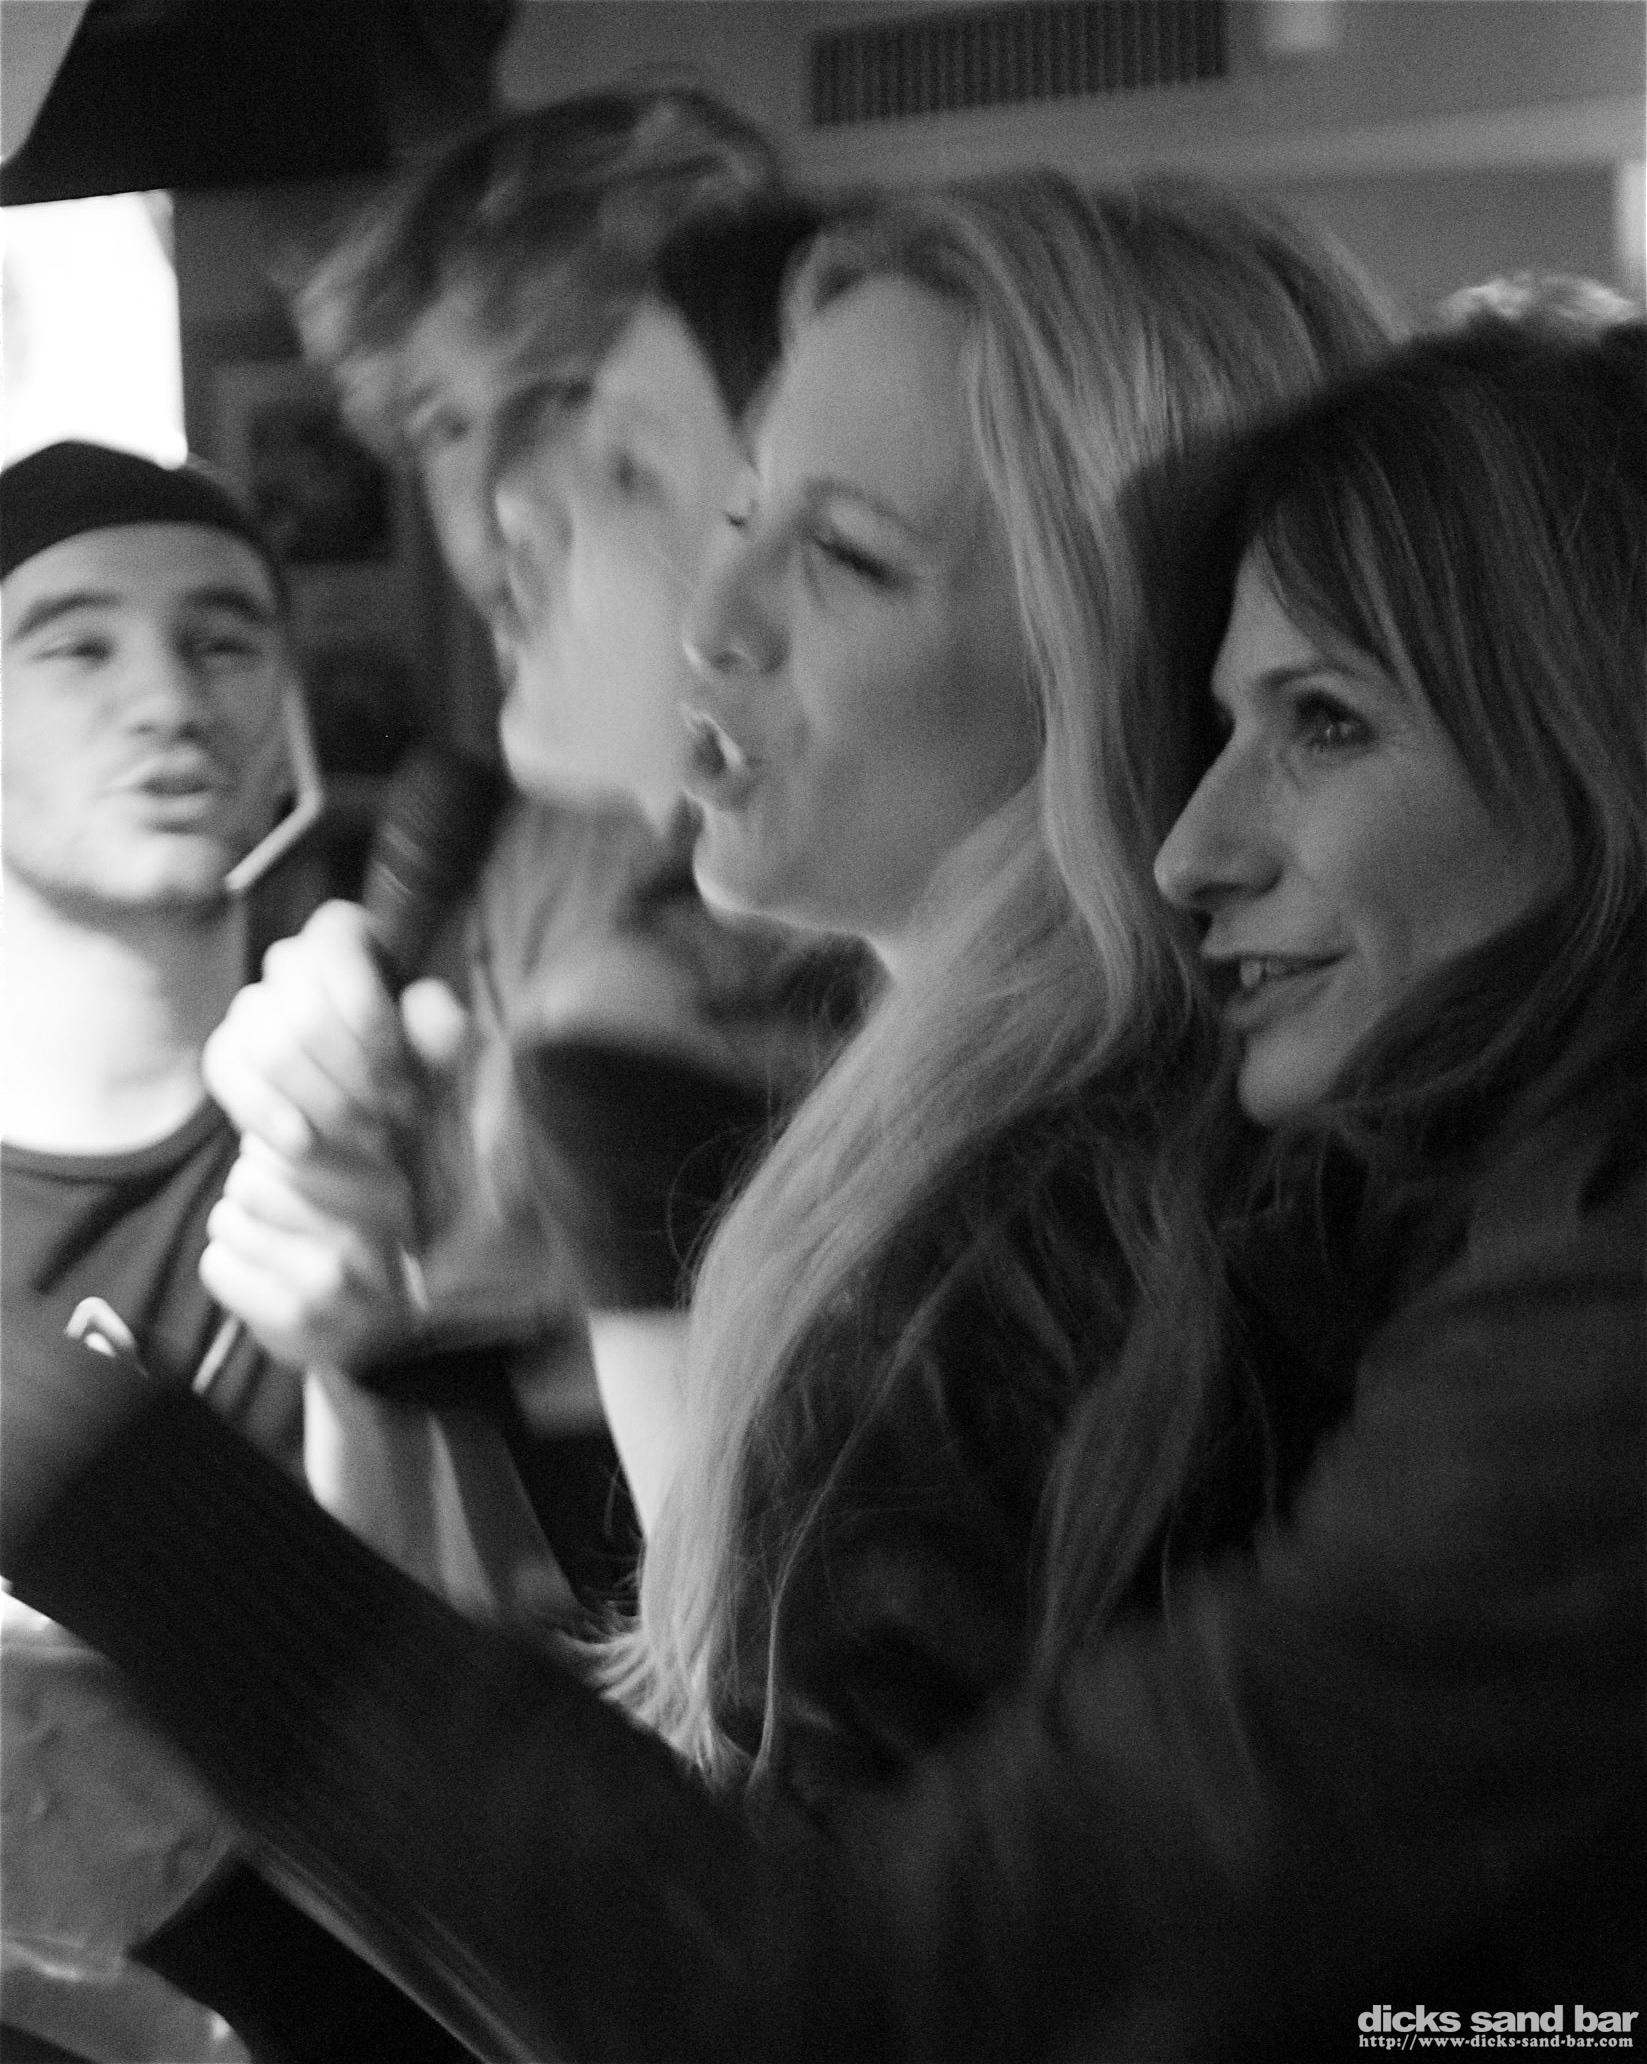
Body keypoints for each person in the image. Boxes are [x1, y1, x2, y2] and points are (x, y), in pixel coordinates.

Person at [54, 184, 1634, 2064]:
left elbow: (805, 1997)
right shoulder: (1019, 1159)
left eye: (850, 559)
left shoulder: (1057, 1235)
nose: (712, 617)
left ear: (1107, 659)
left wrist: (112, 1561)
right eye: (736, 515)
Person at [250, 83, 855, 1561]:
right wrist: (349, 1262)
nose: (498, 496)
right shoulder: (495, 854)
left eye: (567, 396)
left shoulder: (859, 881)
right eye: (446, 424)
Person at [0, 441, 466, 2064]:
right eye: (76, 646)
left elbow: (453, 1761)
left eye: (221, 641)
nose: (166, 698)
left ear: (284, 720)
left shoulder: (397, 1123)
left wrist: (360, 1364)